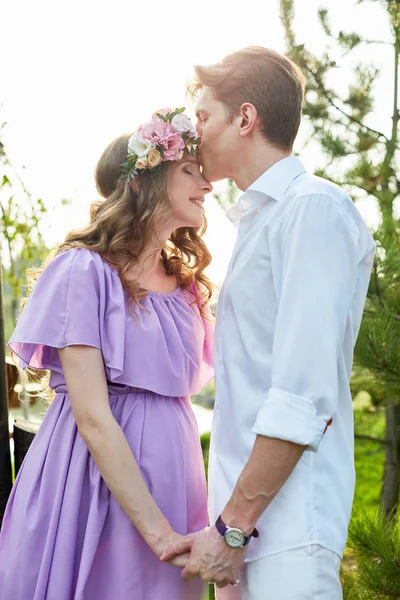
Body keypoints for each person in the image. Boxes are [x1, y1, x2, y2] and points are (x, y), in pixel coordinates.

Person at [161, 47, 376, 599]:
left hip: (286, 533)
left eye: (203, 116)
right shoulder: (263, 222)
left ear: (246, 118)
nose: (194, 132)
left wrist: (234, 526)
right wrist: (228, 530)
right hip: (246, 538)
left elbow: (302, 392)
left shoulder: (312, 210)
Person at [0, 107, 214, 600]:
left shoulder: (186, 289)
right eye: (190, 171)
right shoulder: (84, 271)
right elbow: (93, 416)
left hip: (175, 477)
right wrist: (158, 531)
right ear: (143, 183)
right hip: (95, 478)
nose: (206, 185)